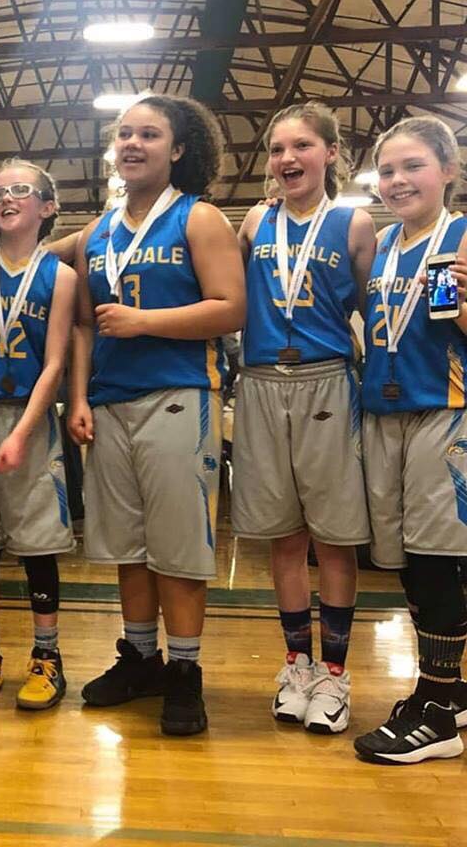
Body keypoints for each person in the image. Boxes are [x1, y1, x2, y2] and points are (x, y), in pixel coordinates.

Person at [68, 93, 245, 736]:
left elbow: (231, 309)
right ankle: (141, 656)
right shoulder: (99, 230)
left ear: (178, 149)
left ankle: (186, 671)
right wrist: (80, 397)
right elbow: (79, 318)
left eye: (150, 134)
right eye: (124, 134)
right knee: (128, 544)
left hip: (179, 395)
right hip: (110, 402)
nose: (133, 144)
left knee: (178, 547)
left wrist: (145, 321)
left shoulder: (200, 219)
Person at [231, 102, 376, 734]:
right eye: (278, 148)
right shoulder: (254, 221)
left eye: (302, 146)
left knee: (335, 536)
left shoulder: (354, 223)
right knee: (282, 536)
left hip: (327, 380)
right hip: (261, 381)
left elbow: (375, 312)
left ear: (331, 153)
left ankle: (336, 675)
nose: (288, 158)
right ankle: (296, 663)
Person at [354, 115, 467, 764]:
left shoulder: (459, 239)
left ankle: (435, 706)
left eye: (413, 167)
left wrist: (456, 297)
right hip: (382, 413)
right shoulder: (383, 245)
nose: (398, 180)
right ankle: (448, 693)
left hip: (443, 409)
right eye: (388, 170)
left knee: (437, 558)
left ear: (447, 171)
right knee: (406, 559)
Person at [0, 159, 76, 711]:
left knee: (36, 543)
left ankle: (47, 656)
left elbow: (55, 364)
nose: (6, 198)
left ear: (46, 207)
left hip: (30, 419)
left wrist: (25, 430)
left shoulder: (61, 275)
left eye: (20, 190)